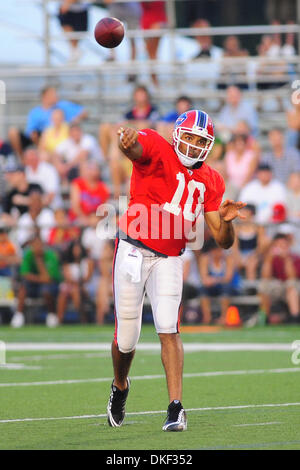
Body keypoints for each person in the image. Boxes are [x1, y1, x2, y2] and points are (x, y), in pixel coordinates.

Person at [106, 109, 246, 431]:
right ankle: (120, 385)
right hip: (132, 249)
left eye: (202, 141)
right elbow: (136, 148)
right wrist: (127, 143)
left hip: (170, 257)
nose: (195, 145)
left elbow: (223, 242)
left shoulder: (211, 179)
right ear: (177, 134)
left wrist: (225, 222)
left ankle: (176, 407)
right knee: (126, 339)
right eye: (191, 137)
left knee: (169, 328)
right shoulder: (157, 146)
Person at [8, 86, 88, 160]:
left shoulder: (62, 105)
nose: (56, 96)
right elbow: (30, 131)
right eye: (53, 94)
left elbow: (84, 112)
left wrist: (76, 119)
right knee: (13, 132)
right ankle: (22, 160)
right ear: (45, 96)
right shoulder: (35, 112)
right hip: (41, 136)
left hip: (59, 133)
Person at [11, 235, 61, 328]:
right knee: (23, 288)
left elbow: (48, 279)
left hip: (49, 285)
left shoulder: (50, 256)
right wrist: (40, 278)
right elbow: (25, 274)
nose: (37, 247)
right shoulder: (28, 255)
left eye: (39, 245)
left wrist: (39, 262)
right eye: (34, 245)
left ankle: (51, 314)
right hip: (34, 284)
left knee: (47, 291)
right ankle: (19, 315)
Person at [259, 233, 300, 323]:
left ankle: (295, 317)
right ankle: (265, 317)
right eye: (278, 245)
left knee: (291, 286)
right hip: (278, 286)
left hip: (293, 288)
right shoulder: (271, 258)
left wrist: (287, 259)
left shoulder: (295, 258)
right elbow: (265, 276)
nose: (281, 248)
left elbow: (292, 277)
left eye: (283, 245)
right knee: (264, 285)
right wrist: (269, 259)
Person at [199, 238, 239, 325]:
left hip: (229, 287)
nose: (217, 253)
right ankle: (207, 317)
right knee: (203, 289)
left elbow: (228, 278)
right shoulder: (205, 259)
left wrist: (213, 280)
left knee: (225, 288)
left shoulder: (228, 259)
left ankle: (224, 317)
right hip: (213, 287)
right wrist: (210, 281)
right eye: (215, 250)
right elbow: (204, 277)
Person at [57, 240, 94, 324]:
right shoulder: (67, 263)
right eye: (75, 249)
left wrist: (78, 283)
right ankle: (59, 319)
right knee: (63, 295)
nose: (77, 251)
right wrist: (75, 283)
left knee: (75, 291)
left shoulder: (88, 262)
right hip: (71, 286)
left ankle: (82, 317)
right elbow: (67, 277)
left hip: (86, 286)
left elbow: (88, 277)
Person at [1, 162, 43, 227]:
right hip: (21, 228)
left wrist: (24, 200)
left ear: (21, 174)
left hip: (39, 220)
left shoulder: (35, 187)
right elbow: (4, 215)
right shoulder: (10, 194)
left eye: (12, 174)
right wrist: (18, 222)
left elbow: (44, 201)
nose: (9, 178)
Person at [140, 1, 167, 86]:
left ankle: (154, 81)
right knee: (151, 54)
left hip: (157, 22)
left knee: (152, 54)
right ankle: (154, 81)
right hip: (147, 23)